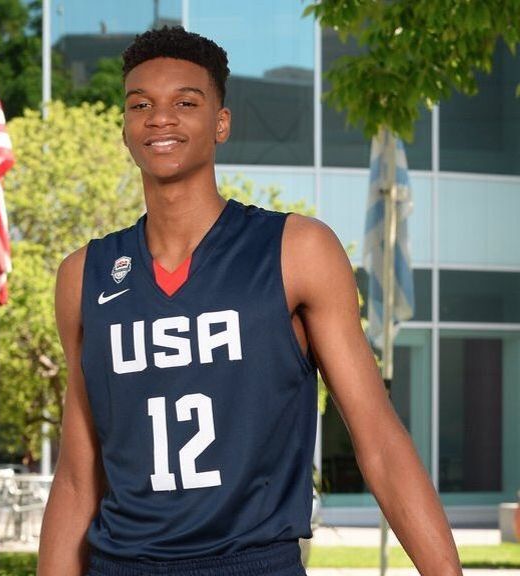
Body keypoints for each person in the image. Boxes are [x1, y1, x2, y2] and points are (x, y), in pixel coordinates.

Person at [37, 26, 462, 576]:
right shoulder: (84, 275)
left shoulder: (296, 250)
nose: (159, 118)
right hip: (122, 565)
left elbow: (378, 439)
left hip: (253, 562)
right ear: (124, 127)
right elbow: (78, 476)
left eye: (185, 103)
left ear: (221, 123)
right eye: (140, 104)